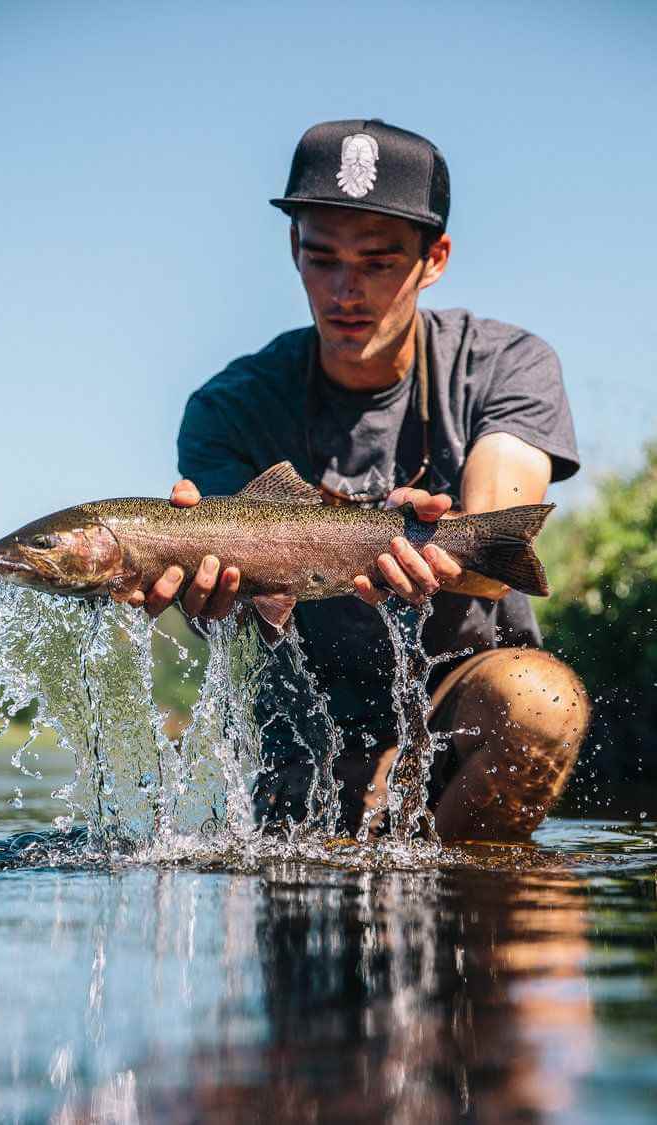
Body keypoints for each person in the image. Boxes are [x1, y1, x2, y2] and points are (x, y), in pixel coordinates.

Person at [123, 119, 590, 841]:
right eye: (323, 259)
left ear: (433, 258)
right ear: (293, 250)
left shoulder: (505, 364)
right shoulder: (228, 407)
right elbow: (236, 616)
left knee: (542, 703)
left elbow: (495, 548)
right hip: (304, 743)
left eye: (377, 263)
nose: (346, 290)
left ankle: (468, 901)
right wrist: (205, 597)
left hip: (458, 711)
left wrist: (425, 539)